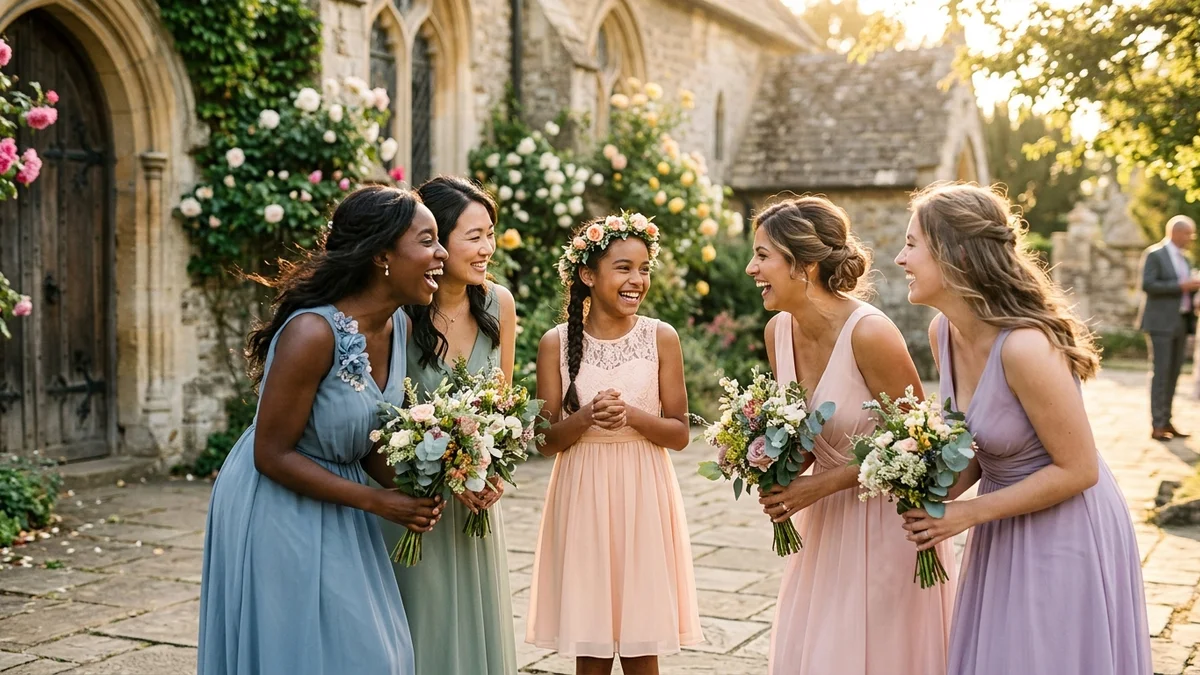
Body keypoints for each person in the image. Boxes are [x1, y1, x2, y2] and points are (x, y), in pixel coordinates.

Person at [896, 182, 1151, 675]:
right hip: (1002, 525)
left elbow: (1078, 470)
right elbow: (975, 445)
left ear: (955, 254)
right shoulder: (942, 333)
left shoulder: (1025, 347)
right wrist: (916, 477)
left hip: (1064, 526)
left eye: (911, 244)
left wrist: (963, 515)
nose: (900, 258)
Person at [198, 186, 446, 675]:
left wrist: (433, 478)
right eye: (427, 240)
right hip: (277, 502)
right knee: (306, 653)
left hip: (342, 499)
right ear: (382, 255)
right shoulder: (310, 333)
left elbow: (367, 436)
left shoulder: (400, 327)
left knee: (380, 655)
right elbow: (271, 454)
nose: (442, 254)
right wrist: (377, 502)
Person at [746, 197, 954, 675]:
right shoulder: (778, 331)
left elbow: (922, 445)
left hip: (887, 526)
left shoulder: (871, 334)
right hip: (824, 529)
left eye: (762, 256)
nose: (750, 268)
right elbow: (802, 434)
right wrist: (767, 460)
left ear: (805, 265)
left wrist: (820, 484)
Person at [526, 214, 703, 675]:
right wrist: (584, 417)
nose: (637, 280)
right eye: (624, 267)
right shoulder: (556, 343)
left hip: (644, 492)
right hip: (584, 494)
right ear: (588, 275)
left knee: (644, 641)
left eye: (644, 268)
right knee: (593, 642)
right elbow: (545, 442)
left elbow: (680, 433)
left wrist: (633, 416)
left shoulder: (660, 337)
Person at [376, 176, 519, 675]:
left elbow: (500, 408)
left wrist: (493, 469)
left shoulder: (499, 304)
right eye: (473, 236)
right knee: (422, 631)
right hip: (417, 504)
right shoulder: (401, 314)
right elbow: (382, 415)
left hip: (476, 505)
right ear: (437, 242)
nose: (487, 248)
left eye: (490, 233)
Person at [1137, 214, 1199, 439]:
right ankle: (1157, 425)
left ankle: (1167, 421)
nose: (1191, 239)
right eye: (1188, 234)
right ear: (1176, 232)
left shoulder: (1186, 259)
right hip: (1160, 324)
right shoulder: (1155, 254)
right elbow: (1148, 284)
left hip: (1182, 322)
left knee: (1173, 374)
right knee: (1161, 373)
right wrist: (1181, 285)